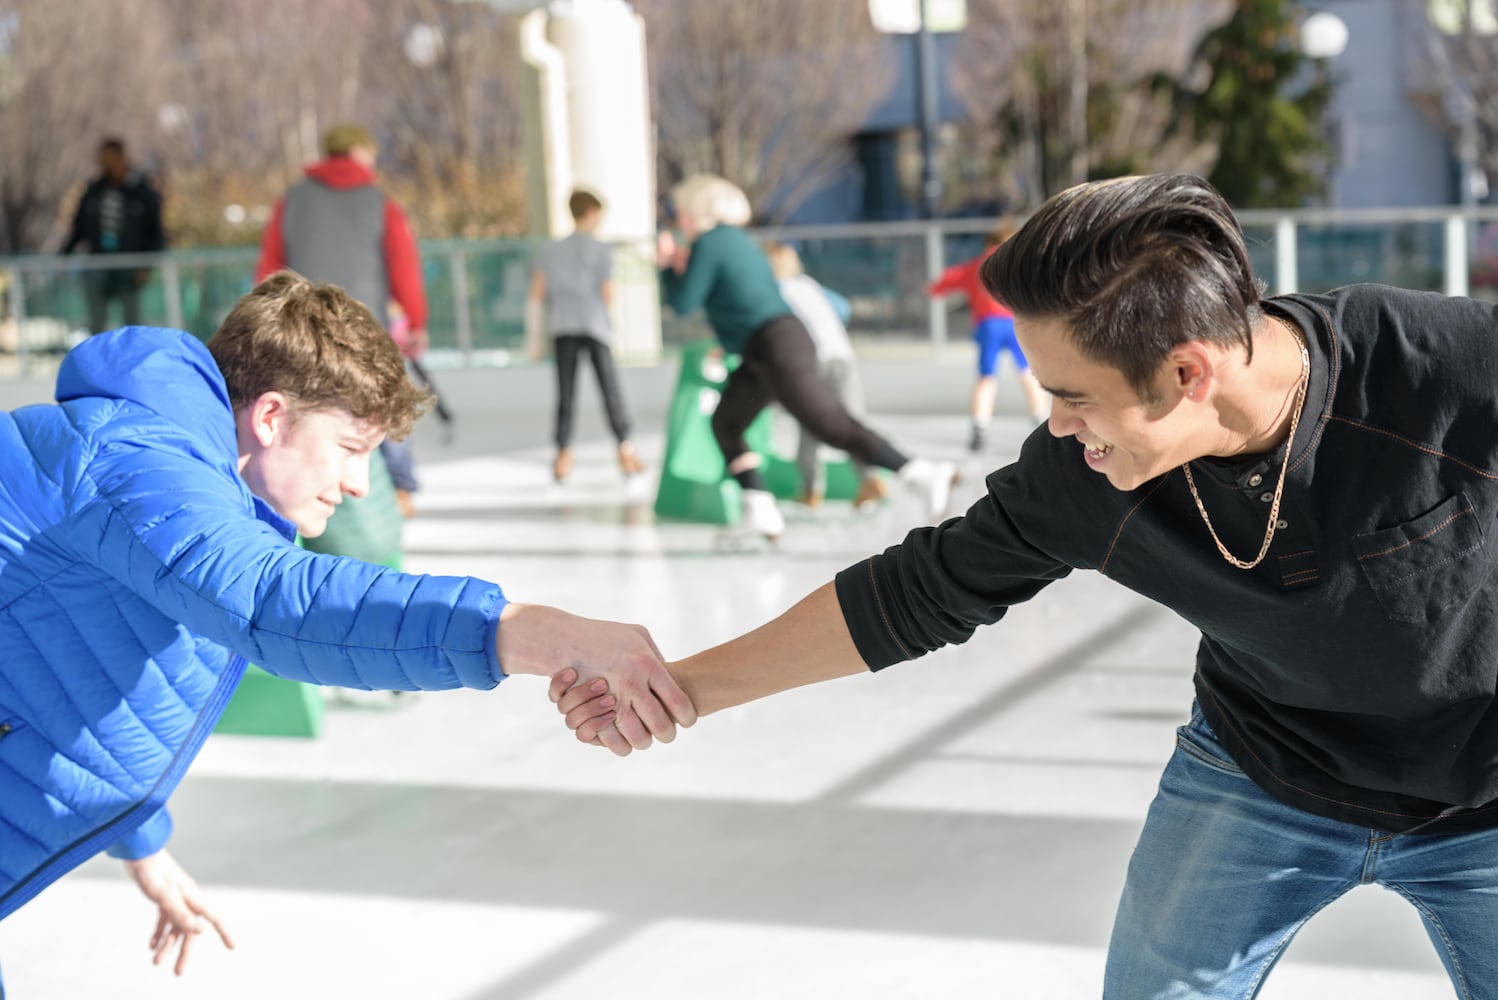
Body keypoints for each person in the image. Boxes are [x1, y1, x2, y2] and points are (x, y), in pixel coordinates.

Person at [561, 172, 1498, 996]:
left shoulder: (1440, 371)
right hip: (1262, 771)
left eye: (1074, 394)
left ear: (1187, 372)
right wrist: (681, 688)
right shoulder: (1082, 475)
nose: (1056, 424)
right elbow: (915, 593)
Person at [0, 272, 692, 985]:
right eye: (350, 447)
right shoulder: (137, 465)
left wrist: (138, 835)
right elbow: (276, 604)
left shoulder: (162, 465)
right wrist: (534, 633)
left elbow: (64, 660)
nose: (360, 483)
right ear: (270, 417)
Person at [658, 174, 953, 540]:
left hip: (775, 344)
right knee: (727, 422)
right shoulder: (736, 242)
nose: (677, 218)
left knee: (831, 425)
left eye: (681, 210)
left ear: (697, 210)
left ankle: (920, 472)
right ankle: (759, 508)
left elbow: (683, 302)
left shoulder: (711, 242)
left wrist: (668, 265)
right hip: (765, 347)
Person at [255, 122, 426, 517]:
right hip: (369, 327)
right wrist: (416, 320)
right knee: (384, 400)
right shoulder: (379, 201)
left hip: (304, 328)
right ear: (357, 154)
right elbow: (404, 268)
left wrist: (269, 318)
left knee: (311, 405)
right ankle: (401, 489)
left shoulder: (292, 200)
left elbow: (269, 265)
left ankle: (298, 491)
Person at [526, 189, 645, 484]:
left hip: (563, 327)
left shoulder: (550, 250)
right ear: (591, 212)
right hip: (595, 327)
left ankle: (563, 453)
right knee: (610, 390)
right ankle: (625, 450)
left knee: (566, 393)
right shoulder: (601, 250)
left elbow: (537, 293)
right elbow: (607, 294)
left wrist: (534, 339)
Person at [764, 241, 872, 508]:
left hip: (813, 360)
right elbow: (842, 308)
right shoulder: (808, 284)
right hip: (842, 354)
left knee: (810, 422)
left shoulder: (777, 291)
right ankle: (869, 480)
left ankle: (811, 487)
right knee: (852, 420)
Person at [927, 222, 1049, 450]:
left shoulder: (977, 266)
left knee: (986, 377)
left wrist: (934, 288)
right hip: (1017, 322)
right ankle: (1041, 421)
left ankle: (980, 426)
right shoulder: (1019, 266)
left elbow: (943, 282)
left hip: (988, 325)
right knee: (1028, 374)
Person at [64, 137, 165, 335]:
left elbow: (155, 233)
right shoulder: (94, 191)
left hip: (129, 266)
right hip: (98, 264)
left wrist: (146, 265)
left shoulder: (142, 192)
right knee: (97, 320)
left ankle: (134, 360)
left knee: (132, 321)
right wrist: (64, 256)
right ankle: (100, 362)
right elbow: (79, 229)